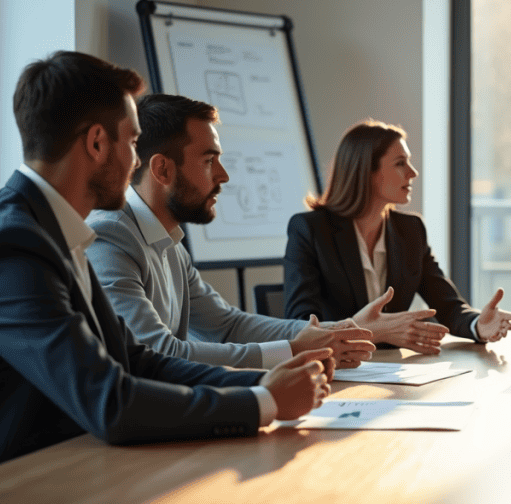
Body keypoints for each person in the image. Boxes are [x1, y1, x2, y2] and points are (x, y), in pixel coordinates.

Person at [0, 51, 332, 482]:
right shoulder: (11, 244)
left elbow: (137, 359)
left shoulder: (48, 228)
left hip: (64, 473)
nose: (136, 162)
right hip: (5, 494)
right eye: (131, 142)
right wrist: (263, 402)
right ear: (96, 143)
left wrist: (264, 380)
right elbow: (111, 401)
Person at [86, 94, 375, 370]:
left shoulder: (169, 242)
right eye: (209, 161)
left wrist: (332, 332)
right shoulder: (110, 237)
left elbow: (227, 326)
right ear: (162, 170)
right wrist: (294, 350)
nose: (223, 175)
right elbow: (157, 353)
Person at [284, 120, 511, 353]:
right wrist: (371, 330)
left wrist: (478, 324)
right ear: (367, 172)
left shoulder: (411, 230)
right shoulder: (310, 230)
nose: (412, 172)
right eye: (400, 163)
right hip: (336, 370)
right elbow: (301, 326)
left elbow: (447, 305)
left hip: (393, 369)